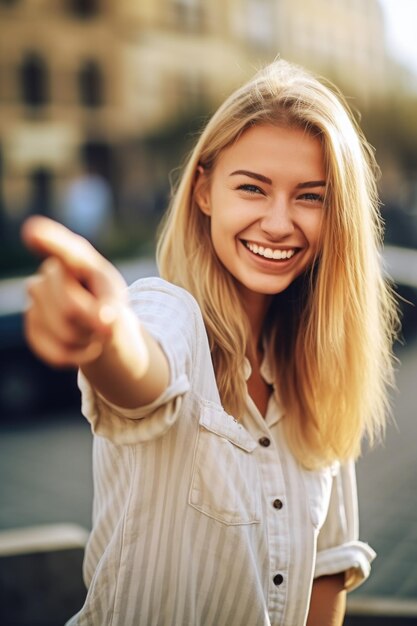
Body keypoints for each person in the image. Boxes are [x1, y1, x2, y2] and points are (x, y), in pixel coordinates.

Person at [22, 59, 398, 626]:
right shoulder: (167, 314)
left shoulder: (320, 371)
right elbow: (141, 367)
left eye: (311, 197)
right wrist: (101, 336)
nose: (277, 222)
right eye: (252, 188)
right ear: (203, 191)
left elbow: (328, 570)